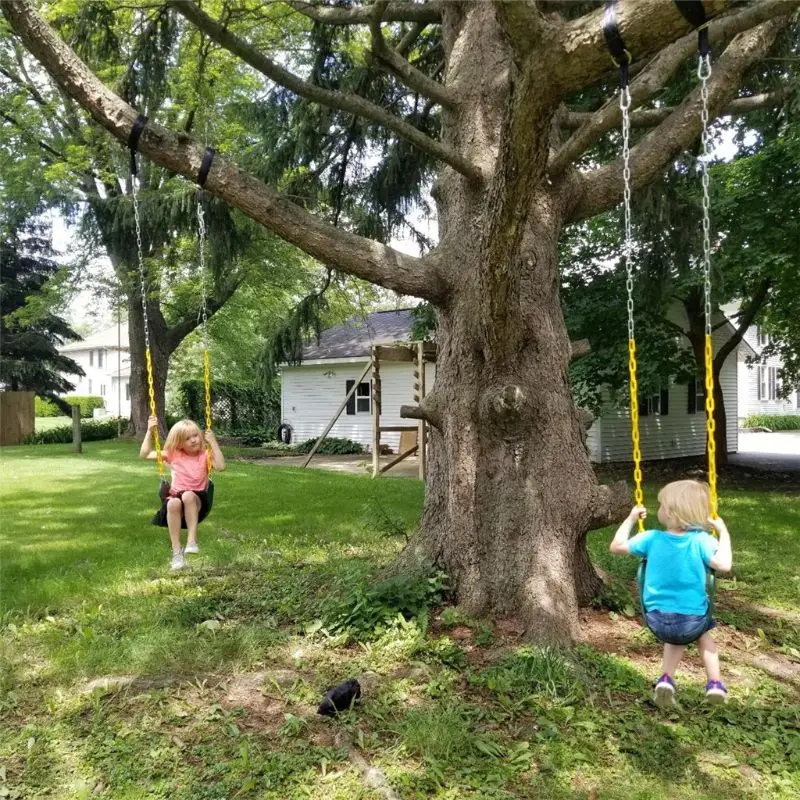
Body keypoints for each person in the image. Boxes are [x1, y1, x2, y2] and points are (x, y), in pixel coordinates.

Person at [609, 479, 732, 707]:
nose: (659, 509)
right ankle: (715, 683)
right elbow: (724, 565)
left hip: (656, 618)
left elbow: (616, 547)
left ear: (672, 512)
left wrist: (631, 519)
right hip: (692, 620)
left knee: (674, 638)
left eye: (662, 505)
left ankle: (666, 679)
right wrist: (723, 532)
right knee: (703, 637)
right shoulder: (702, 541)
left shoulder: (651, 538)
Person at [140, 416, 225, 570]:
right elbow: (145, 454)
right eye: (187, 438)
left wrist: (213, 442)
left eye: (195, 436)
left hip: (198, 498)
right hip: (176, 496)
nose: (193, 440)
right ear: (179, 443)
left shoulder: (205, 455)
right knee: (172, 502)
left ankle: (192, 541)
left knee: (188, 495)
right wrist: (149, 431)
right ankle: (177, 553)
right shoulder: (174, 454)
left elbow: (220, 466)